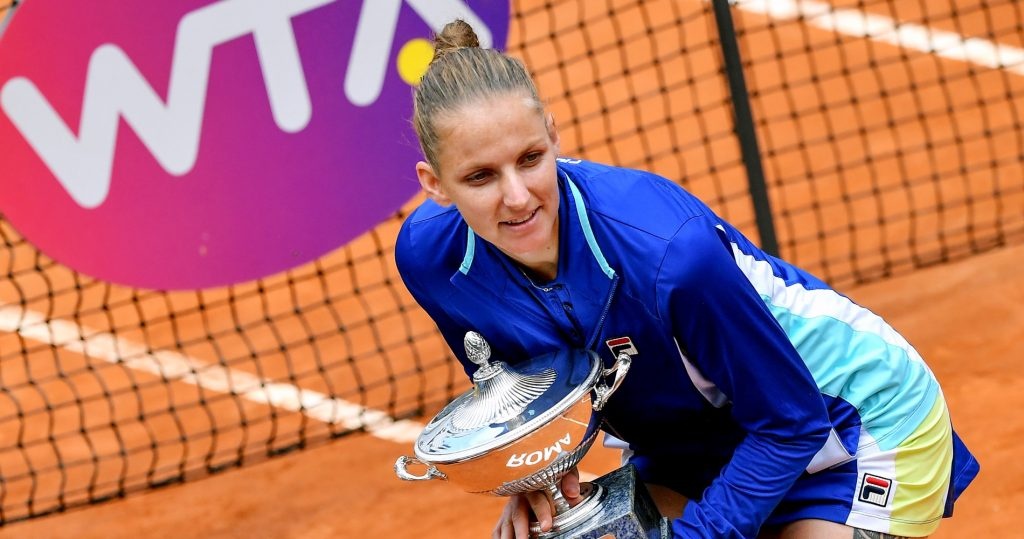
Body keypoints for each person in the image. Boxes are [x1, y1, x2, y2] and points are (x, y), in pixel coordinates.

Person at [395, 19, 978, 539]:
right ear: (434, 183)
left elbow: (791, 423)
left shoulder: (669, 254)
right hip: (693, 439)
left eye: (529, 159)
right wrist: (528, 471)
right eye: (479, 177)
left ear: (553, 136)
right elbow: (522, 384)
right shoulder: (432, 261)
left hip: (850, 424)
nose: (518, 198)